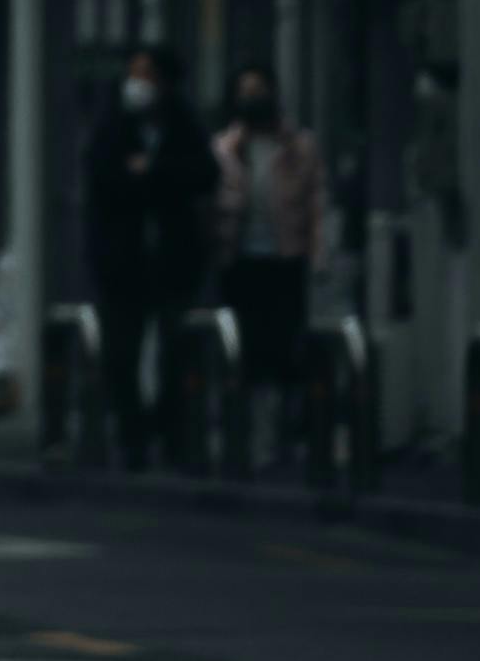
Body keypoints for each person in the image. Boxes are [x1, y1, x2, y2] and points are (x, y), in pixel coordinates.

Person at [85, 46, 219, 469]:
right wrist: (141, 179)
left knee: (175, 353)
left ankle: (173, 435)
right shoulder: (113, 125)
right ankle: (132, 437)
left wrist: (153, 172)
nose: (136, 83)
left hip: (173, 260)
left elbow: (205, 173)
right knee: (120, 355)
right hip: (123, 262)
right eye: (132, 73)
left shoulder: (183, 125)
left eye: (146, 75)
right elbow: (103, 176)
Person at [213, 62, 323, 465]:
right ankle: (246, 437)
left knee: (283, 349)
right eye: (244, 90)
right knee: (246, 351)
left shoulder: (299, 147)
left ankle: (281, 436)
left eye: (258, 89)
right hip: (240, 261)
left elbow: (315, 206)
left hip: (284, 259)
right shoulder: (227, 148)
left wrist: (318, 256)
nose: (251, 98)